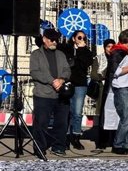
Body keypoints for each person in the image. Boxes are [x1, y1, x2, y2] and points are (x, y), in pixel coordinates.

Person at [29, 28, 71, 157]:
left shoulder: (60, 54)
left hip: (60, 94)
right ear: (44, 39)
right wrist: (52, 81)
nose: (54, 42)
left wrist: (62, 79)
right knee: (41, 123)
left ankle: (58, 146)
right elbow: (35, 72)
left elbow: (67, 70)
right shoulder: (36, 55)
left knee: (62, 122)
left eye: (56, 40)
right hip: (43, 94)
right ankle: (39, 148)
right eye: (52, 40)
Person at [107, 29, 128, 154]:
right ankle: (117, 144)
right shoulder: (117, 52)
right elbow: (115, 72)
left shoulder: (125, 52)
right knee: (126, 119)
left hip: (127, 87)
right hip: (122, 89)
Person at [62, 30, 95, 150]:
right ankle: (64, 137)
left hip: (80, 84)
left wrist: (81, 49)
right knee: (66, 111)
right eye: (79, 37)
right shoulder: (66, 49)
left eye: (84, 38)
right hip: (67, 83)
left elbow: (86, 63)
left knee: (77, 112)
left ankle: (75, 137)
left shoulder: (86, 51)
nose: (82, 40)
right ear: (73, 38)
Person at [94, 38, 115, 151]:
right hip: (104, 90)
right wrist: (103, 75)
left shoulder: (118, 57)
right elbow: (94, 74)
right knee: (103, 116)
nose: (110, 49)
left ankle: (114, 140)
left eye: (112, 46)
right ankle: (102, 142)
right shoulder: (99, 58)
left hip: (115, 89)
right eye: (108, 46)